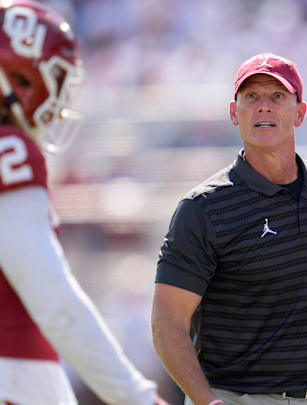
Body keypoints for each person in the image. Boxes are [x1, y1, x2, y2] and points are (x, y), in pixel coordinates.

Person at [151, 53, 307, 405]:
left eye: (277, 96)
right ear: (234, 113)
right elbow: (167, 323)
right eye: (251, 97)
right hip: (234, 398)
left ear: (300, 112)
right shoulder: (202, 207)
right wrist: (206, 401)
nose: (263, 107)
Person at [0, 1, 168, 404]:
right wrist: (137, 397)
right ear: (18, 77)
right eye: (53, 79)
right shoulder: (11, 148)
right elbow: (53, 301)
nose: (58, 100)